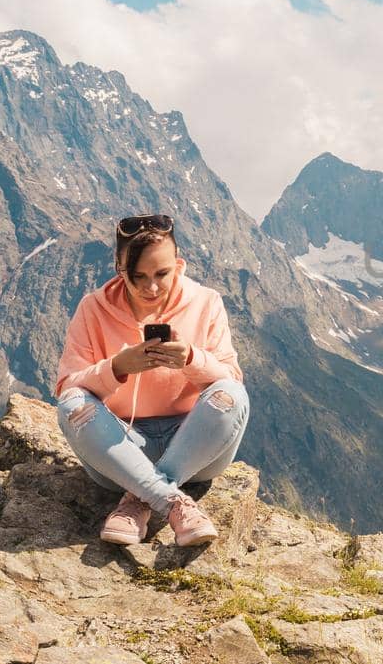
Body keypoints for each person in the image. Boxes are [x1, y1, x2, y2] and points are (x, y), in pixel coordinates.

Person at [53, 213, 250, 546]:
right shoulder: (92, 308)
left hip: (195, 445)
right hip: (120, 446)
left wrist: (191, 359)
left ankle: (136, 500)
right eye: (138, 276)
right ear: (119, 267)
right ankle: (171, 501)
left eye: (162, 273)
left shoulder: (206, 302)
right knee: (71, 405)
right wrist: (116, 367)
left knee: (232, 395)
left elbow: (231, 378)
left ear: (179, 263)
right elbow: (67, 386)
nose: (152, 287)